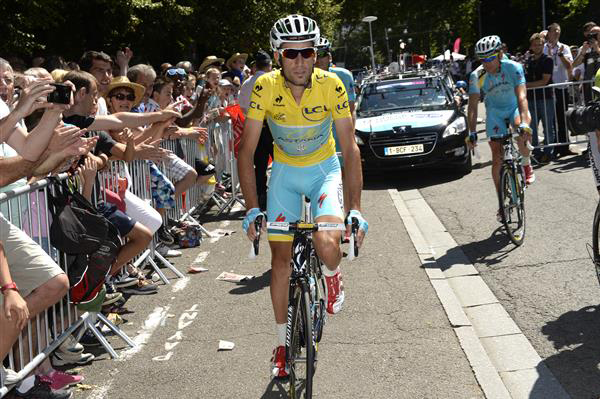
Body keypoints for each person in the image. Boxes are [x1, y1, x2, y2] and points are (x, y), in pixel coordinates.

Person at [237, 14, 368, 378]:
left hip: (323, 170)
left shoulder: (333, 85)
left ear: (316, 53)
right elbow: (246, 152)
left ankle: (331, 273)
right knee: (280, 261)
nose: (299, 61)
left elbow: (350, 149)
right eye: (291, 53)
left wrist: (356, 210)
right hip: (284, 174)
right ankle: (281, 345)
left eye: (307, 52)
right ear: (279, 55)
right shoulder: (264, 86)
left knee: (327, 241)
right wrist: (251, 209)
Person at [467, 35, 534, 220]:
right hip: (495, 113)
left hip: (513, 107)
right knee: (497, 157)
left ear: (500, 53)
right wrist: (471, 132)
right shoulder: (477, 75)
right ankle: (501, 203)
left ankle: (526, 164)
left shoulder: (513, 67)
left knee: (522, 130)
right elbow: (472, 107)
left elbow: (522, 97)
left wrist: (525, 124)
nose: (487, 63)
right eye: (483, 59)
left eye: (490, 58)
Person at [315, 36, 357, 220]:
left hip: (339, 136)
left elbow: (351, 109)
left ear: (329, 56)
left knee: (346, 177)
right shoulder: (300, 79)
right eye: (314, 54)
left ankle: (348, 215)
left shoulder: (343, 75)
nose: (318, 59)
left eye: (322, 54)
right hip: (316, 138)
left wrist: (350, 137)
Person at [239, 50, 274, 211]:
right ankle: (279, 193)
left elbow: (243, 107)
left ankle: (261, 194)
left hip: (255, 126)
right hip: (273, 126)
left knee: (259, 165)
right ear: (270, 65)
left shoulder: (247, 84)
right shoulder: (273, 81)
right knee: (282, 161)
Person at [543, 23, 575, 157]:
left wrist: (561, 55)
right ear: (548, 33)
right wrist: (550, 56)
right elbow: (543, 66)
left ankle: (564, 146)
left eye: (558, 31)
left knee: (562, 117)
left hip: (561, 86)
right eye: (554, 30)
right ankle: (553, 146)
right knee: (550, 118)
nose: (556, 33)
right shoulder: (543, 48)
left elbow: (570, 66)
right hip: (549, 88)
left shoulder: (565, 47)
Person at [525, 33, 556, 163]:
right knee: (532, 127)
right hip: (531, 99)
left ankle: (549, 152)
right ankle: (536, 152)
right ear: (531, 46)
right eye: (535, 45)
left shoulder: (548, 59)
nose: (538, 47)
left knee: (548, 126)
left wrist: (525, 86)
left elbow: (544, 81)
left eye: (540, 44)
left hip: (546, 98)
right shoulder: (528, 61)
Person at [573, 24, 600, 103]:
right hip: (589, 87)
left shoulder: (596, 47)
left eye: (596, 34)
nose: (593, 36)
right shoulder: (585, 47)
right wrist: (582, 53)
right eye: (591, 34)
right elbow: (574, 65)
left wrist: (597, 48)